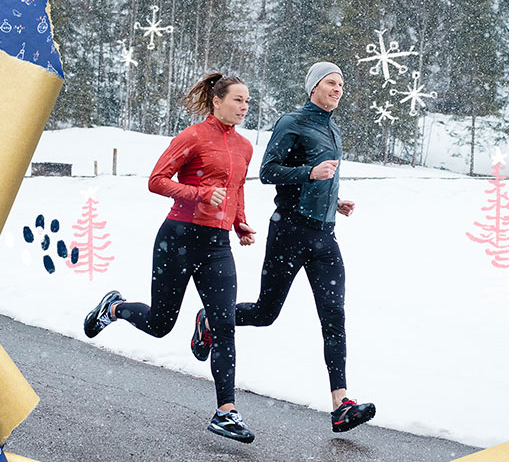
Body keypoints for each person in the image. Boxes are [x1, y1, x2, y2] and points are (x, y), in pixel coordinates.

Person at [190, 62, 376, 433]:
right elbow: (269, 172)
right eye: (330, 83)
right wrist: (309, 174)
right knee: (264, 312)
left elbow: (323, 176)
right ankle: (210, 319)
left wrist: (334, 199)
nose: (337, 89)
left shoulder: (333, 128)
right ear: (313, 87)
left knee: (334, 316)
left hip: (325, 235)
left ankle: (341, 404)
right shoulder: (292, 123)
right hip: (289, 232)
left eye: (341, 84)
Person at [83, 73, 258, 443]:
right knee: (161, 323)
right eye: (238, 100)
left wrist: (239, 223)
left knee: (224, 324)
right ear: (217, 100)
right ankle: (113, 308)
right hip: (177, 238)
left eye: (247, 102)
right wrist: (199, 193)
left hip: (217, 246)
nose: (245, 108)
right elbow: (157, 180)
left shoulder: (244, 147)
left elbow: (236, 189)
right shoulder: (193, 136)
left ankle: (225, 411)